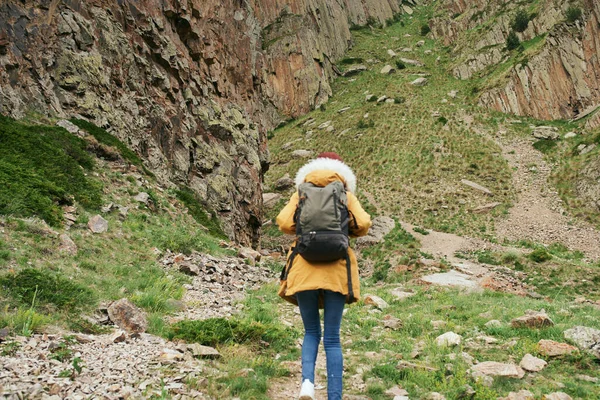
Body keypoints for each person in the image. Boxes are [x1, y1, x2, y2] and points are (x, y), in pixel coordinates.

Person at [276, 152, 372, 400]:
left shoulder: (301, 193)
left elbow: (285, 223)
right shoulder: (345, 194)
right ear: (342, 171)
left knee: (310, 332)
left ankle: (307, 384)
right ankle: (335, 396)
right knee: (332, 338)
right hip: (336, 272)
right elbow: (363, 224)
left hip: (304, 270)